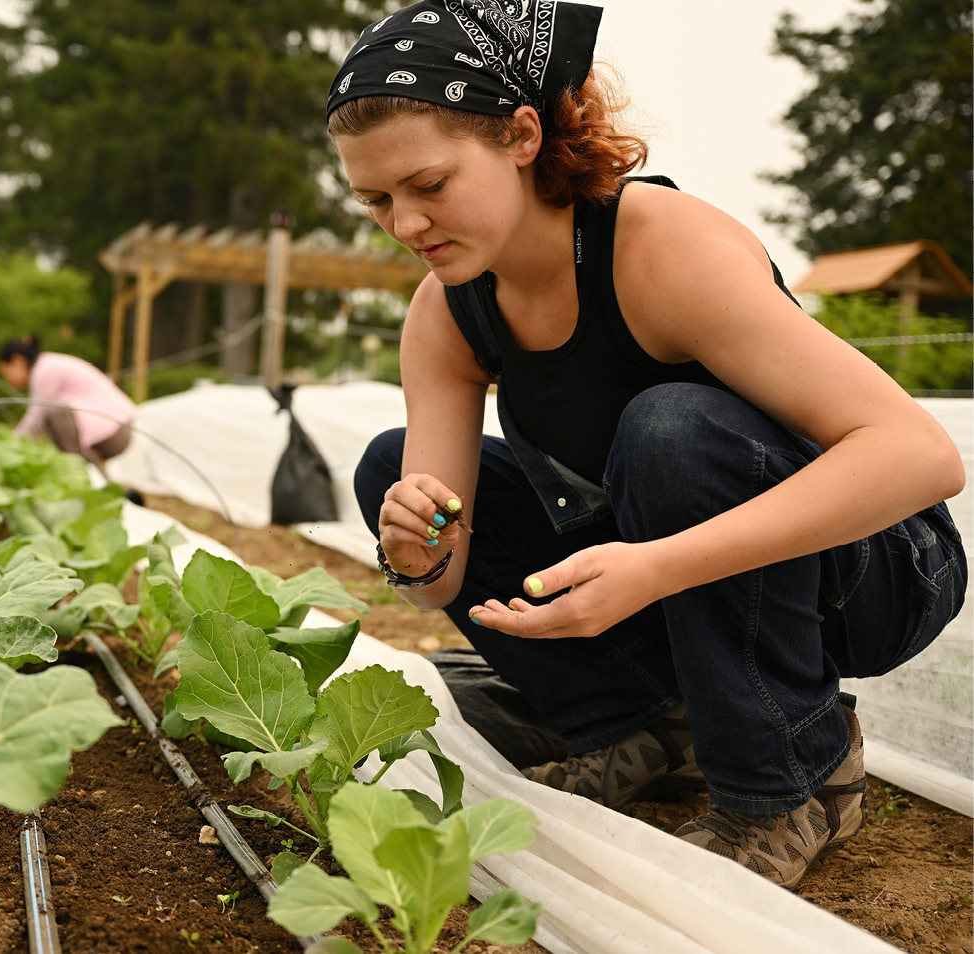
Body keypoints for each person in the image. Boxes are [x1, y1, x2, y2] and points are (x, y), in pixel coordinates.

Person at [331, 0, 967, 889]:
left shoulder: (659, 248)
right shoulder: (447, 313)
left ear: (521, 135)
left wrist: (658, 566)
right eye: (376, 200)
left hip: (876, 570)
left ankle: (792, 781)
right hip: (680, 570)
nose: (404, 224)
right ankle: (640, 727)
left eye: (429, 185)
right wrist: (414, 546)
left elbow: (921, 456)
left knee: (671, 428)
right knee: (391, 466)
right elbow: (440, 570)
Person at [0, 335, 138, 472]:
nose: (7, 379)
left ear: (17, 360)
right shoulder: (47, 364)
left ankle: (84, 471)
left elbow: (35, 419)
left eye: (5, 371)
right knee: (51, 413)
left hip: (115, 433)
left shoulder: (45, 370)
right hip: (115, 428)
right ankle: (85, 471)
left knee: (54, 410)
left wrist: (9, 446)